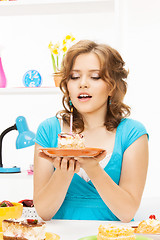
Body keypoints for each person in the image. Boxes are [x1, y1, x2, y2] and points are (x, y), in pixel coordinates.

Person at [33, 40, 149, 222]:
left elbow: (127, 213)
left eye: (95, 77)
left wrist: (92, 166)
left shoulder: (132, 133)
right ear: (67, 85)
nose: (83, 84)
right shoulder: (48, 130)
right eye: (74, 76)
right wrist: (64, 172)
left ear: (112, 86)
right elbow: (44, 212)